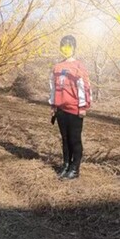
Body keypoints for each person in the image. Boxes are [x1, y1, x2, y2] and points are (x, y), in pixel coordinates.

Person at [49, 35, 91, 179]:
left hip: (74, 108)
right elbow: (53, 87)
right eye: (63, 45)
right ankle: (66, 164)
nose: (65, 49)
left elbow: (84, 87)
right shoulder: (57, 67)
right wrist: (53, 104)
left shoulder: (79, 66)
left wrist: (83, 106)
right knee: (65, 139)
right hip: (60, 109)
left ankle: (75, 168)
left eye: (69, 46)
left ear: (74, 47)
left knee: (74, 139)